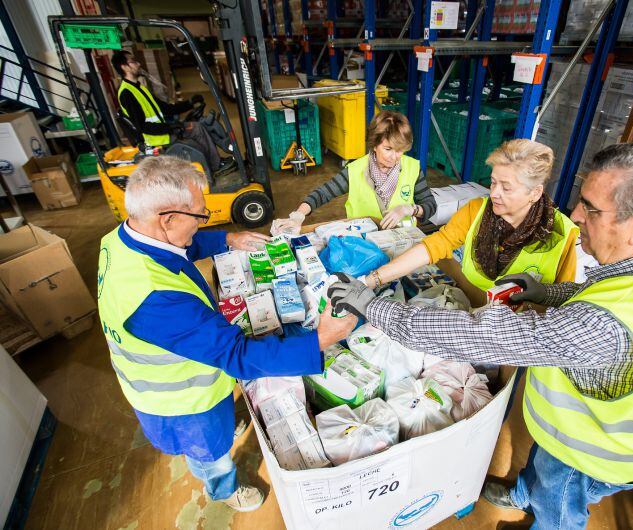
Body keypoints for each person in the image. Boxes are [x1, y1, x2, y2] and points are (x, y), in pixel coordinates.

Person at [327, 139, 633, 529]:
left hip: (591, 452)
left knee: (559, 512)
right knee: (541, 472)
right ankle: (524, 492)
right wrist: (549, 293)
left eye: (591, 208)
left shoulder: (599, 320)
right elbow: (611, 296)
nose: (577, 214)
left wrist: (373, 306)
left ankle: (542, 510)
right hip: (593, 426)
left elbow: (480, 334)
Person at [97, 155, 356, 512]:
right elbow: (239, 356)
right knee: (211, 452)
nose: (203, 222)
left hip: (198, 375)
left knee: (219, 425)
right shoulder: (155, 300)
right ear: (168, 218)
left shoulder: (123, 237)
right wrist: (320, 340)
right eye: (200, 216)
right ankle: (223, 490)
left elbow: (178, 248)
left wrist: (227, 238)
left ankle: (223, 436)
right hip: (182, 400)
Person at [363, 139, 579, 292]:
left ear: (535, 192)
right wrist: (373, 279)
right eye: (493, 182)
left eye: (506, 187)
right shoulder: (477, 211)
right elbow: (432, 247)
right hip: (474, 311)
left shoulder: (561, 233)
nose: (494, 193)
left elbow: (562, 297)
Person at [273, 110, 437, 231]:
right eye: (388, 149)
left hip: (403, 239)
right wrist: (298, 215)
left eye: (400, 150)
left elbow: (430, 205)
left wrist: (409, 209)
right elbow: (322, 194)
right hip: (364, 242)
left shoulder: (412, 168)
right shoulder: (355, 170)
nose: (395, 156)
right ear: (374, 144)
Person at [111, 50, 229, 175]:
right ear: (124, 67)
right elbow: (142, 126)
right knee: (197, 128)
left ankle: (214, 163)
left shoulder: (139, 88)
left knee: (198, 125)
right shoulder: (126, 93)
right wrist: (170, 128)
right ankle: (216, 166)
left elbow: (165, 108)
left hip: (162, 133)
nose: (138, 64)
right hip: (157, 140)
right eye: (133, 62)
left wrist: (190, 103)